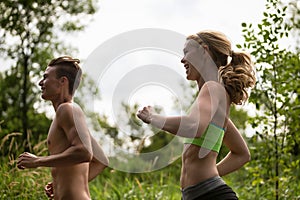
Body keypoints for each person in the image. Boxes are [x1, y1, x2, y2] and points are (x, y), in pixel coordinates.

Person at [137, 30, 256, 199]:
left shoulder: (212, 88)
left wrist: (153, 118)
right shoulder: (216, 101)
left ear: (204, 51)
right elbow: (242, 153)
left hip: (211, 195)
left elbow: (194, 126)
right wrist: (212, 175)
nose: (182, 59)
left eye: (187, 52)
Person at [17, 56, 109, 200]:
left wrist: (38, 161)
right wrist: (63, 182)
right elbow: (101, 160)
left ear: (62, 81)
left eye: (45, 77)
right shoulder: (69, 115)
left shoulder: (67, 110)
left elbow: (84, 152)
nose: (41, 83)